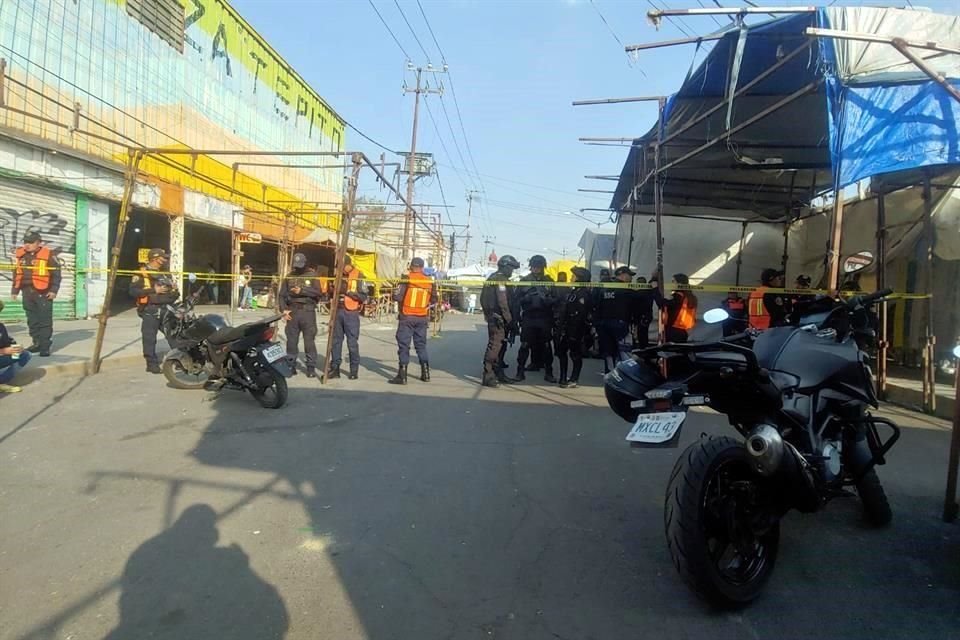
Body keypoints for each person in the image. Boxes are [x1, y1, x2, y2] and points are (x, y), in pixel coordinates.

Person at [389, 257, 439, 385]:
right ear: (422, 268)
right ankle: (426, 374)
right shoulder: (430, 281)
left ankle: (402, 376)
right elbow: (434, 299)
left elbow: (397, 296)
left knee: (404, 346)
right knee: (421, 346)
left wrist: (394, 292)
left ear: (411, 266)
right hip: (422, 317)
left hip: (407, 317)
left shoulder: (407, 278)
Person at [10, 231, 61, 357]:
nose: (27, 245)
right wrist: (15, 290)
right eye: (25, 242)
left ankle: (44, 346)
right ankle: (36, 343)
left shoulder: (49, 255)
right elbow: (16, 273)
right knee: (32, 321)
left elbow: (56, 274)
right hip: (27, 292)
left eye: (31, 242)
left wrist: (54, 290)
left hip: (43, 293)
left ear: (39, 243)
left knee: (44, 321)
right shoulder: (21, 255)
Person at [129, 249, 180, 374]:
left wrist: (174, 291)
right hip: (150, 310)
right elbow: (133, 292)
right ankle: (151, 364)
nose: (165, 260)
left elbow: (174, 294)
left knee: (174, 336)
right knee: (149, 338)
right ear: (155, 258)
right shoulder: (141, 273)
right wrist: (153, 290)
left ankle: (180, 360)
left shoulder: (165, 274)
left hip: (166, 309)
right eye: (163, 258)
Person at [480, 254, 521, 388]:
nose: (512, 271)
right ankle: (488, 375)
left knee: (501, 346)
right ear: (505, 267)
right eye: (511, 268)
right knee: (495, 346)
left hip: (495, 317)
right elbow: (503, 302)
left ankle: (499, 373)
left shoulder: (492, 278)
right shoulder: (500, 280)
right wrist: (510, 320)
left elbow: (482, 299)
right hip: (499, 319)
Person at [516, 255, 557, 383]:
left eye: (538, 266)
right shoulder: (524, 280)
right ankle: (520, 371)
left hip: (544, 316)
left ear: (543, 267)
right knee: (525, 345)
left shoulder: (549, 281)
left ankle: (549, 372)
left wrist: (549, 301)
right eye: (534, 266)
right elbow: (516, 299)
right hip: (529, 316)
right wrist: (525, 299)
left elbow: (556, 299)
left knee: (546, 345)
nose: (536, 269)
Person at [279, 252, 321, 378]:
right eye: (296, 265)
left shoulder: (313, 276)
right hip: (293, 311)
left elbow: (319, 293)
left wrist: (302, 291)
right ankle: (291, 365)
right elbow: (281, 295)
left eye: (300, 265)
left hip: (308, 312)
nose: (298, 268)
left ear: (305, 263)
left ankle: (311, 367)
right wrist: (284, 310)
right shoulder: (289, 276)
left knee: (309, 341)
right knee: (291, 341)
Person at [328, 255, 369, 380]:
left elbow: (364, 296)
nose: (339, 269)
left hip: (351, 313)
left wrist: (348, 292)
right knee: (335, 341)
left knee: (352, 343)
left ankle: (353, 370)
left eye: (341, 267)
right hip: (337, 311)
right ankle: (335, 368)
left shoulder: (359, 275)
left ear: (348, 265)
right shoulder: (337, 276)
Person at [556, 267, 594, 388]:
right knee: (561, 352)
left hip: (576, 329)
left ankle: (574, 379)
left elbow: (582, 315)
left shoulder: (584, 294)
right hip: (566, 327)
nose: (571, 277)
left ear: (580, 278)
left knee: (575, 354)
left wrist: (576, 332)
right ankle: (562, 377)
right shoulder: (574, 291)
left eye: (574, 276)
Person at [597, 266, 636, 373]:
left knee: (609, 352)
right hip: (621, 324)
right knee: (625, 351)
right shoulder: (626, 289)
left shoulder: (605, 288)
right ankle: (627, 374)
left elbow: (598, 306)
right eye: (629, 276)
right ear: (622, 275)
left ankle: (610, 373)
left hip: (605, 324)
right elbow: (636, 303)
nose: (631, 279)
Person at [0, 299, 32, 393]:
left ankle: (1, 381)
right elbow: (4, 350)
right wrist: (3, 351)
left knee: (25, 355)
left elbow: (8, 342)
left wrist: (17, 348)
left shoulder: (1, 327)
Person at [656, 273, 698, 343]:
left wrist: (655, 289)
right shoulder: (690, 297)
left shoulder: (678, 297)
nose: (671, 283)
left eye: (673, 281)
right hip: (684, 331)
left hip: (673, 331)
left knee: (673, 352)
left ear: (679, 283)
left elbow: (661, 303)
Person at [632, 276, 655, 349]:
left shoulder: (638, 294)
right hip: (646, 317)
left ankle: (643, 351)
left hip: (641, 317)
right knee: (643, 335)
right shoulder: (649, 292)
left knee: (641, 335)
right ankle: (644, 350)